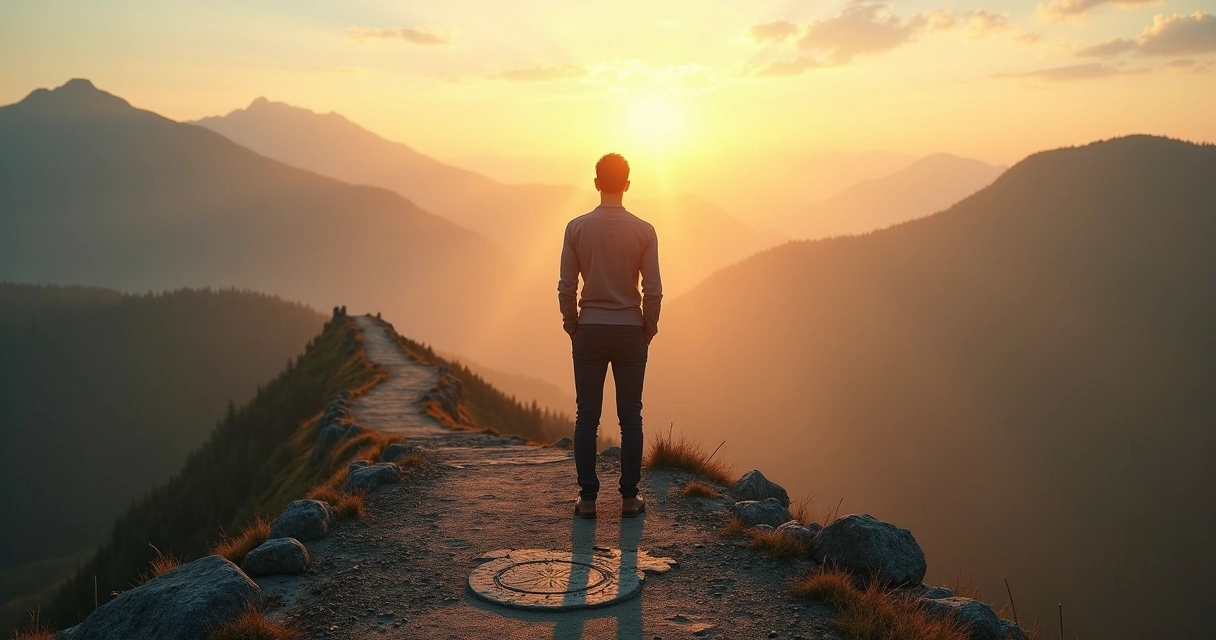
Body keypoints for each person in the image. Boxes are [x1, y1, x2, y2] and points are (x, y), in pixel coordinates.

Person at [558, 153, 662, 519]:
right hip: (631, 330)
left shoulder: (576, 228)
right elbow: (653, 290)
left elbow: (566, 286)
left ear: (597, 182)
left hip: (588, 329)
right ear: (628, 184)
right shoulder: (644, 231)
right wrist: (648, 328)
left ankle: (587, 500)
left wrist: (572, 324)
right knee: (630, 416)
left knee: (587, 416)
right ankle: (630, 499)